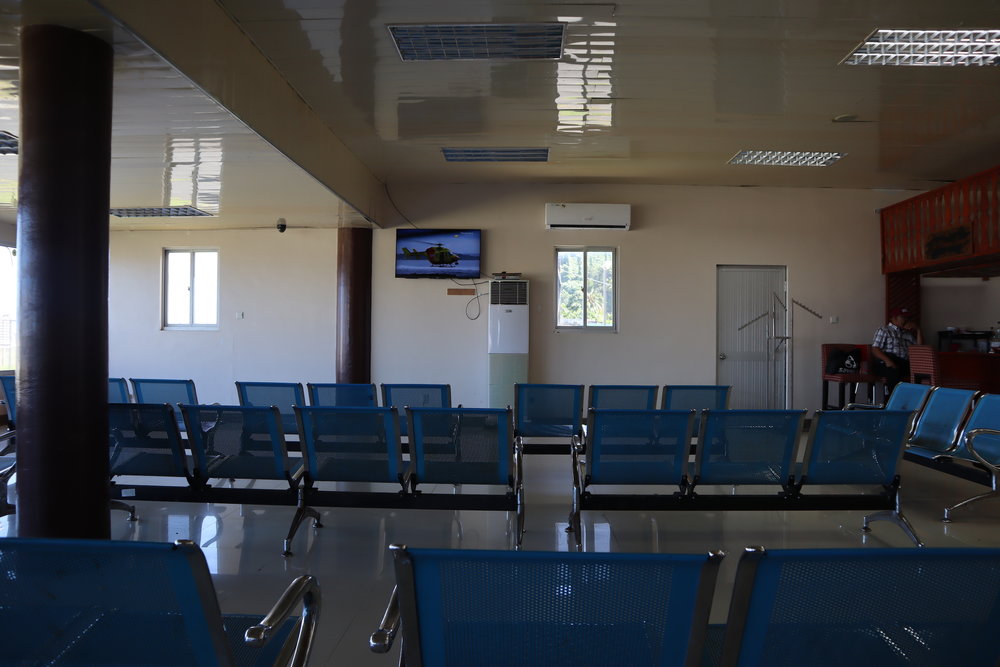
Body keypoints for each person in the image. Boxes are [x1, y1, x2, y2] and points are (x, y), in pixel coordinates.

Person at [871, 307, 923, 393]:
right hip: (887, 361)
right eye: (903, 318)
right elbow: (875, 349)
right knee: (894, 372)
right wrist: (888, 361)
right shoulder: (884, 330)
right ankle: (895, 401)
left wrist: (918, 329)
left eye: (908, 318)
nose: (906, 320)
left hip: (904, 362)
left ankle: (917, 401)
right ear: (894, 318)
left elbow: (919, 349)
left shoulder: (907, 334)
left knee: (921, 373)